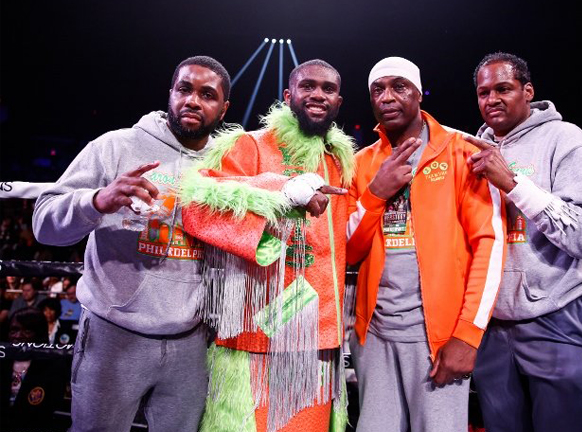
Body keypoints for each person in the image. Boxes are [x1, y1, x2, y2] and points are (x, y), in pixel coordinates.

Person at [32, 55, 232, 432]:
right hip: (114, 332)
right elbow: (44, 223)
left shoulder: (228, 163)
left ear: (223, 109)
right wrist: (96, 202)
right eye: (184, 89)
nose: (192, 101)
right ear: (170, 93)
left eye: (207, 94)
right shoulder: (115, 146)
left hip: (191, 342)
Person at [181, 59, 355, 432]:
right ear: (289, 95)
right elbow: (196, 207)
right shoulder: (250, 144)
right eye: (308, 86)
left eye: (327, 88)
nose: (317, 94)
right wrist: (281, 191)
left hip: (319, 341)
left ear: (339, 101)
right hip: (255, 337)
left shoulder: (340, 163)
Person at [346, 56, 506, 432]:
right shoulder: (361, 163)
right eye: (377, 89)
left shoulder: (462, 151)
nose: (387, 96)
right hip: (375, 336)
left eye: (398, 86)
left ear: (419, 93)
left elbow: (490, 244)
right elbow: (349, 252)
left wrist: (467, 335)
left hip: (440, 339)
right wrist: (374, 196)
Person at [466, 52, 582, 432]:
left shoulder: (565, 139)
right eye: (484, 92)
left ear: (528, 91)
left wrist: (514, 184)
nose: (492, 99)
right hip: (492, 328)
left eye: (504, 88)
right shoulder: (470, 152)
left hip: (560, 317)